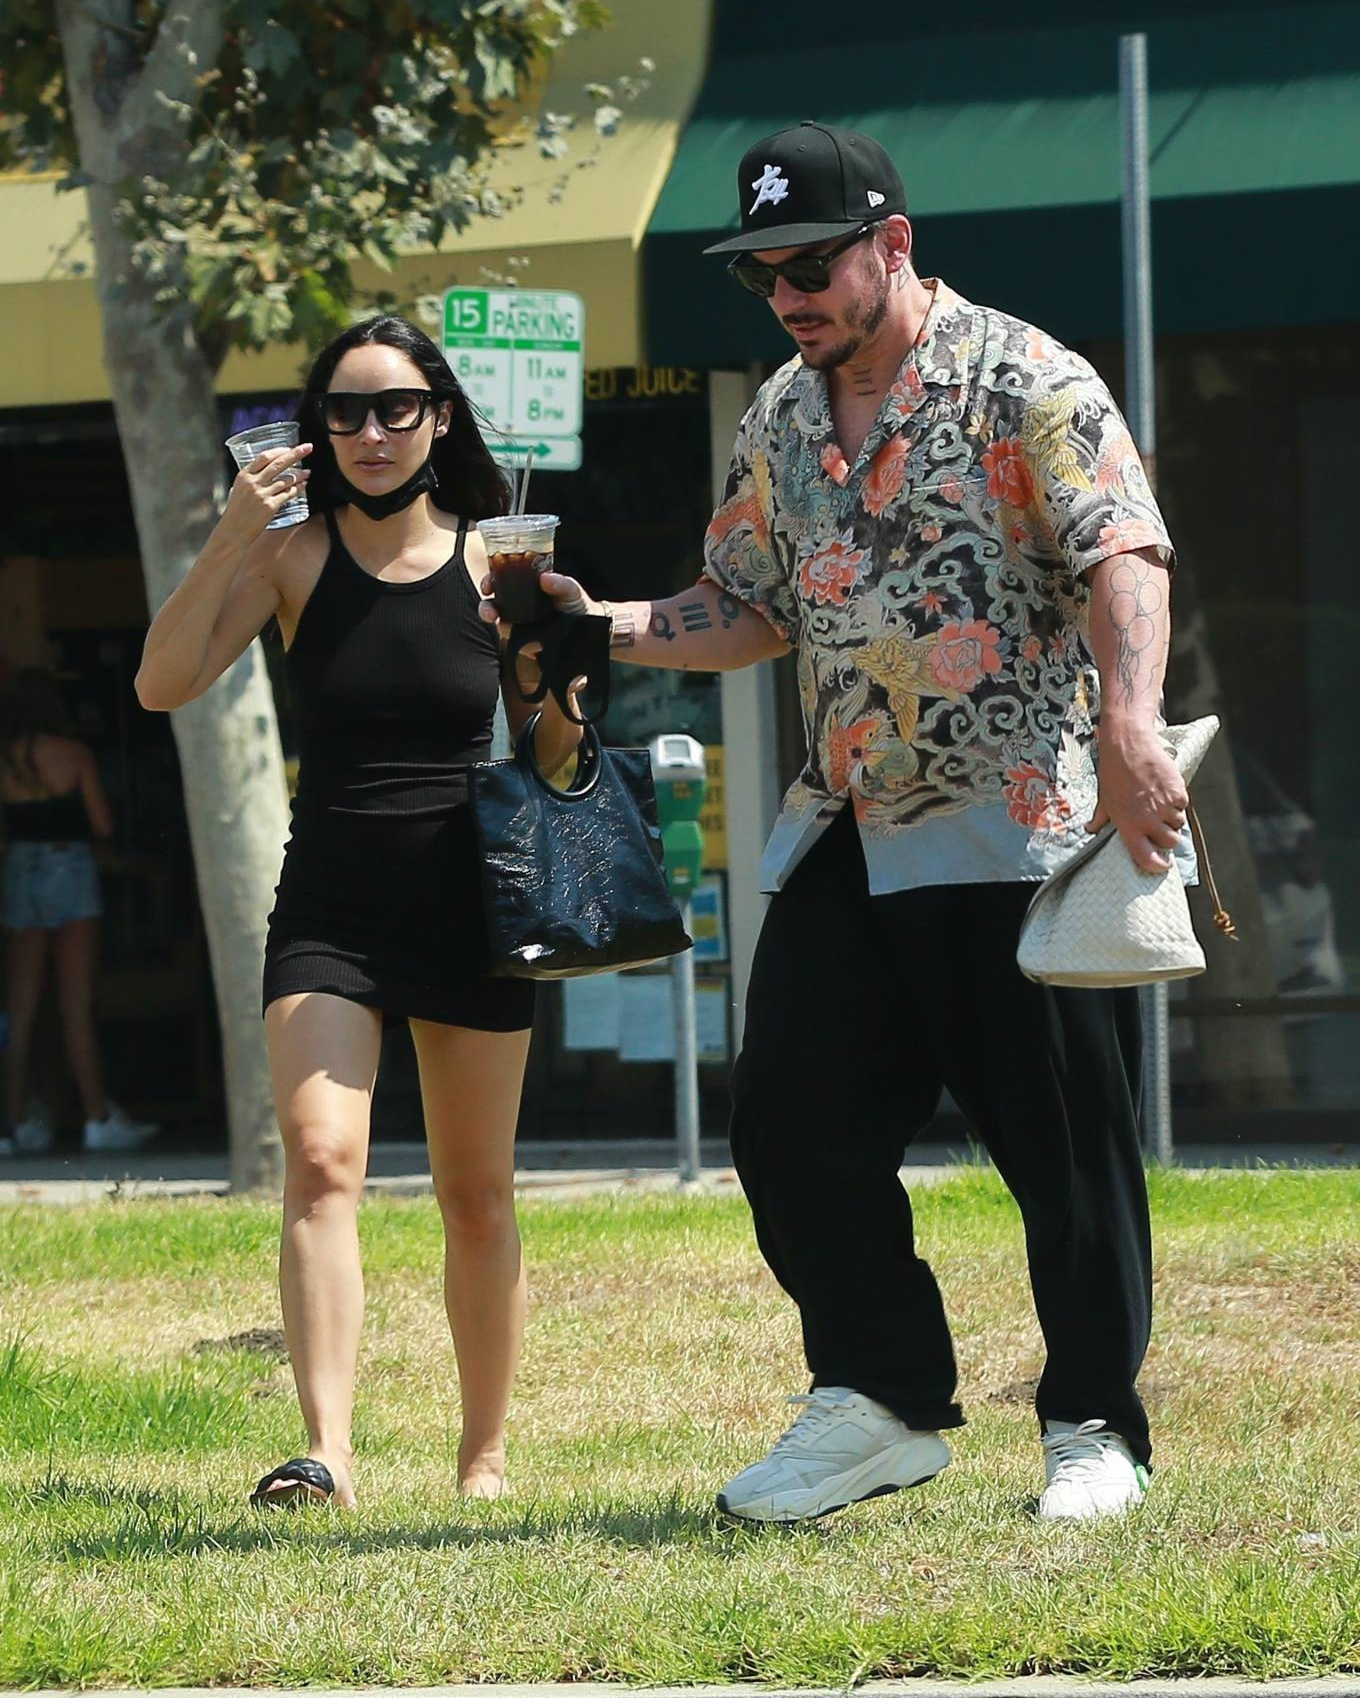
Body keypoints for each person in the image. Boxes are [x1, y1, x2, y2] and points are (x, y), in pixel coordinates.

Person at [482, 123, 1190, 1524]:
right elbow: (745, 606)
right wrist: (596, 624)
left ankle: (1094, 1426)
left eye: (810, 265)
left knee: (1063, 1153)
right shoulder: (777, 419)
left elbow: (1125, 550)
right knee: (791, 1124)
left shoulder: (1026, 376)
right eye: (762, 275)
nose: (787, 295)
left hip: (1022, 825)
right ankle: (878, 1400)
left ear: (893, 244)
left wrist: (1130, 722)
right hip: (850, 824)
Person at [136, 315, 582, 1508]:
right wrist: (232, 531)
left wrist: (554, 667)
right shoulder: (289, 555)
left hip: (473, 898)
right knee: (323, 1159)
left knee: (475, 1192)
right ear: (317, 428)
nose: (370, 432)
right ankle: (326, 1452)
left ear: (440, 416)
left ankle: (483, 1454)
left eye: (394, 407)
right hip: (330, 901)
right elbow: (161, 681)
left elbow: (551, 751)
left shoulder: (496, 558)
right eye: (344, 411)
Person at [0, 667, 157, 1156]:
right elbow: (102, 824)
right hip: (69, 867)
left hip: (20, 870)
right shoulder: (74, 755)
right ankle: (97, 1117)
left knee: (20, 1009)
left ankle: (10, 1125)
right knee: (76, 1004)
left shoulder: (4, 760)